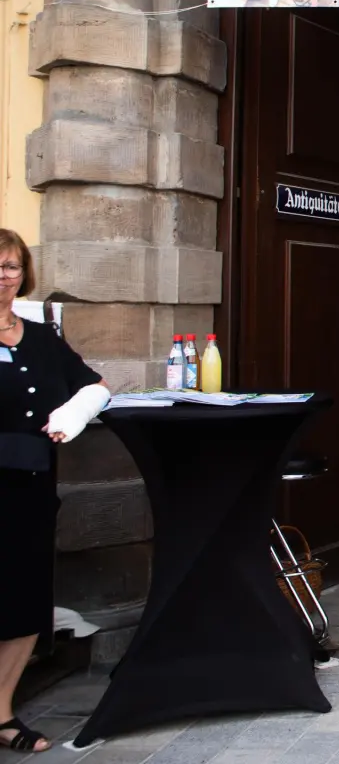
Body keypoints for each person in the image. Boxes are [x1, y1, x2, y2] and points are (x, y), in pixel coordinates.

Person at [0, 229, 109, 753]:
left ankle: (1, 713)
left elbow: (95, 383)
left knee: (26, 601)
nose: (3, 276)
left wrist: (74, 412)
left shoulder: (41, 336)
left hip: (31, 490)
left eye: (12, 267)